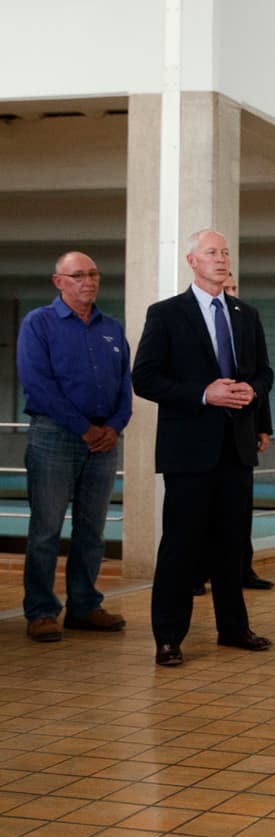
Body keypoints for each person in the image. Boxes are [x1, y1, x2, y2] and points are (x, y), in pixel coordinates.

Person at [132, 229, 275, 667]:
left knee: (232, 543)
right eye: (212, 252)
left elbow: (265, 373)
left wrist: (251, 390)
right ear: (192, 261)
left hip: (236, 448)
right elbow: (145, 378)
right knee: (181, 545)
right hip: (189, 449)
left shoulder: (245, 314)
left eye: (225, 252)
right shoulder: (167, 314)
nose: (221, 258)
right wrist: (203, 394)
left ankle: (233, 627)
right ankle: (169, 637)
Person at [16, 251, 131, 643]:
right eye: (78, 275)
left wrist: (114, 427)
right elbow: (38, 385)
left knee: (92, 531)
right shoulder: (39, 324)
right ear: (58, 282)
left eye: (93, 274)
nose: (88, 281)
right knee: (46, 529)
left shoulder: (112, 328)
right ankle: (42, 611)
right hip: (55, 437)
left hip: (103, 441)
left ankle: (84, 606)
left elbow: (125, 387)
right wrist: (84, 429)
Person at [192, 273, 274, 595]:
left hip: (240, 435)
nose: (228, 296)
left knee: (239, 513)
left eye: (231, 291)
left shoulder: (246, 320)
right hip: (201, 436)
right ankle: (196, 573)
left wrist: (263, 426)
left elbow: (258, 381)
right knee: (199, 514)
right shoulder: (191, 323)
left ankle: (242, 569)